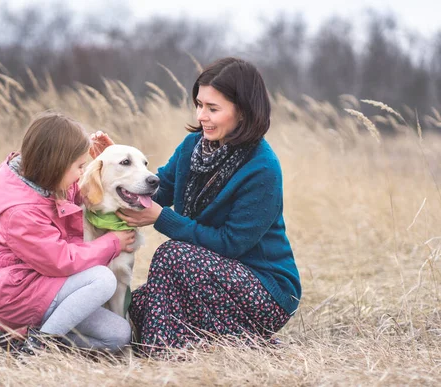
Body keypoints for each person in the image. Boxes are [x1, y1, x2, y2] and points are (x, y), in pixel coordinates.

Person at [95, 57, 301, 357]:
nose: (202, 115)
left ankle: (161, 351)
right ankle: (238, 343)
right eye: (199, 104)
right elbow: (160, 188)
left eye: (213, 108)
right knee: (133, 309)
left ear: (242, 111)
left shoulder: (262, 168)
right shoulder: (193, 146)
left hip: (264, 290)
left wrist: (162, 218)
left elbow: (230, 244)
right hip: (204, 277)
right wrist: (120, 168)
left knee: (172, 254)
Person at [0, 111, 136, 357]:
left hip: (48, 290)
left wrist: (107, 162)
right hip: (17, 294)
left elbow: (91, 194)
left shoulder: (55, 183)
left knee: (118, 335)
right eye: (79, 166)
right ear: (56, 164)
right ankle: (39, 344)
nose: (81, 173)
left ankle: (26, 336)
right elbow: (60, 260)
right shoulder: (21, 212)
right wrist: (112, 244)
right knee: (102, 279)